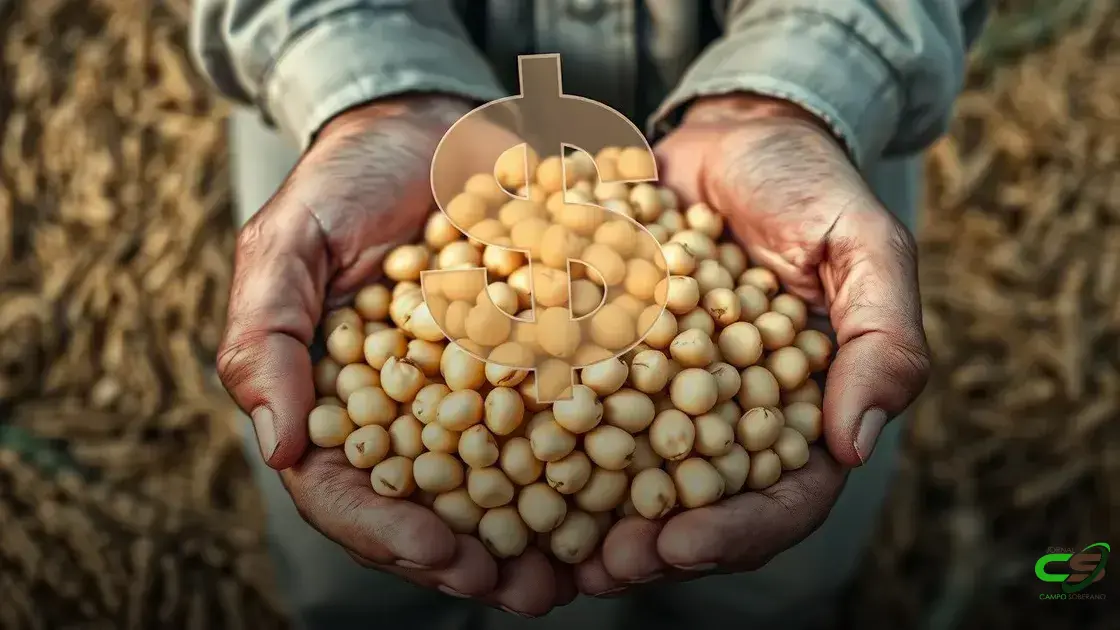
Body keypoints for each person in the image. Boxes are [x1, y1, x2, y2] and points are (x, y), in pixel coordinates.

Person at [191, 1, 988, 628]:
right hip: (379, 126)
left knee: (770, 578)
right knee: (354, 579)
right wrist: (361, 90)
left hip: (779, 145)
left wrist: (798, 89)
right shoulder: (407, 324)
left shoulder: (711, 339)